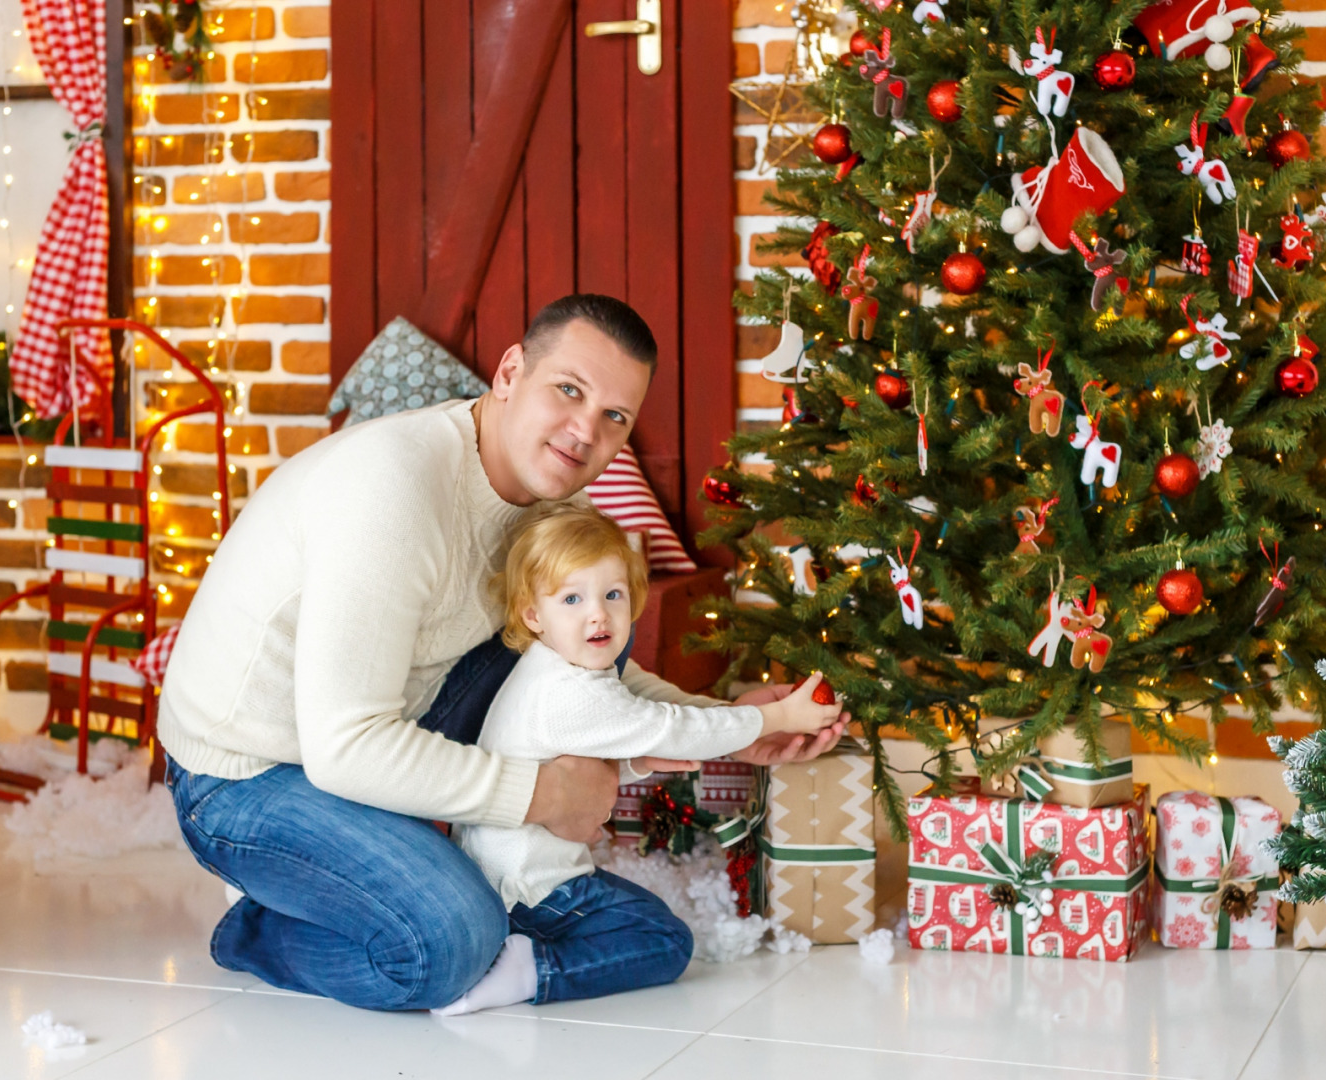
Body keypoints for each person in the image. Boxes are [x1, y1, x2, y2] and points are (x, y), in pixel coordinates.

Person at [157, 294, 847, 1011]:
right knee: (452, 942)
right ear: (511, 372)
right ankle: (259, 923)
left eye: (615, 416)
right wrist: (548, 795)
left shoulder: (553, 507)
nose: (585, 432)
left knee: (589, 611)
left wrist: (734, 726)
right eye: (569, 391)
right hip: (248, 773)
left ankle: (423, 861)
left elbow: (585, 678)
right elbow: (345, 749)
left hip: (398, 714)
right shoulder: (391, 492)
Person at [437, 505, 842, 1015]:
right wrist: (780, 715)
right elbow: (672, 727)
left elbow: (602, 753)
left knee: (642, 915)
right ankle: (532, 968)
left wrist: (643, 763)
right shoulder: (573, 692)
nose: (597, 614)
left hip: (509, 873)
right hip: (530, 889)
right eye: (572, 598)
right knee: (665, 940)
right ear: (532, 615)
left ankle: (529, 952)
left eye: (613, 594)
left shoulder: (551, 667)